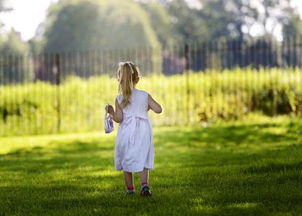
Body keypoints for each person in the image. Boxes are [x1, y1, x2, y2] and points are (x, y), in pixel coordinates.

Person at [106, 61, 162, 196]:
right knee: (142, 157)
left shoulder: (119, 98)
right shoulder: (144, 95)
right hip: (143, 131)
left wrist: (111, 113)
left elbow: (119, 119)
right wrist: (145, 108)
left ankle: (130, 190)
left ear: (120, 79)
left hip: (126, 132)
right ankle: (144, 186)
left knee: (127, 159)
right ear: (137, 78)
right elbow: (158, 109)